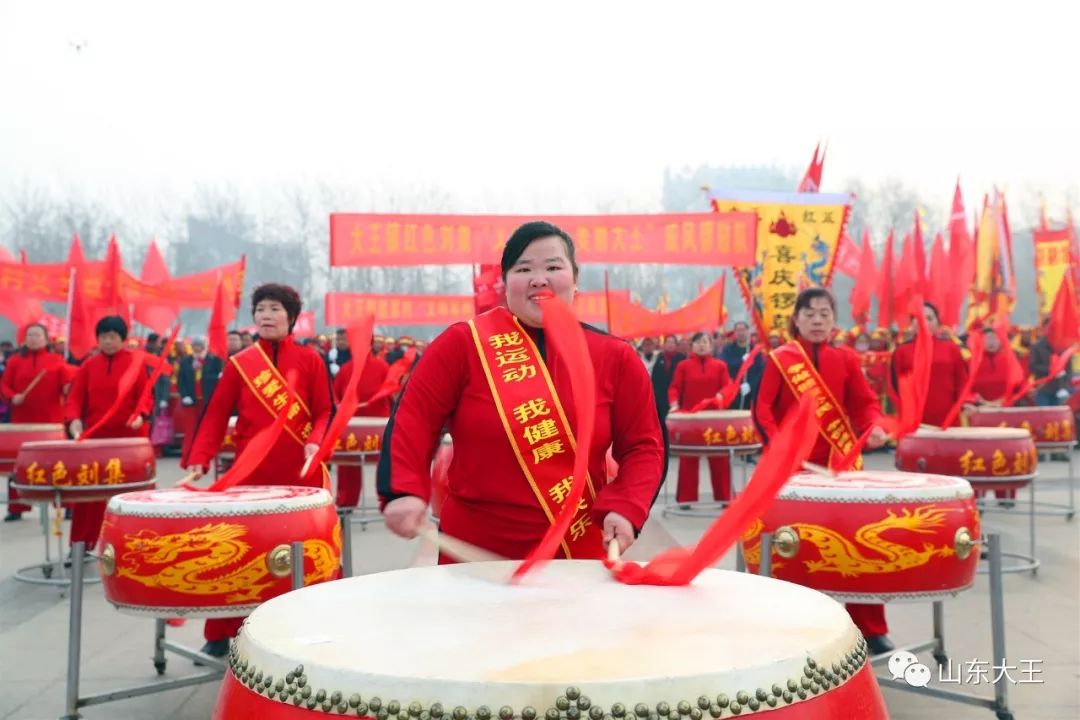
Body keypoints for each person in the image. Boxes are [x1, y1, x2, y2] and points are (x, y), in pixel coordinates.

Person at [378, 221, 664, 562]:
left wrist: (627, 506)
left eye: (553, 267)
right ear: (506, 282)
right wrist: (403, 490)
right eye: (523, 268)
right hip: (476, 555)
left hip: (576, 553)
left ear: (574, 280)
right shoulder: (462, 345)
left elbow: (645, 446)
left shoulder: (614, 357)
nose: (538, 279)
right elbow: (413, 420)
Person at [183, 283, 335, 658]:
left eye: (274, 309)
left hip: (300, 474)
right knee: (238, 551)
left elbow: (324, 411)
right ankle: (221, 631)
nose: (266, 316)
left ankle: (304, 624)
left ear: (291, 317)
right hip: (250, 476)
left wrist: (316, 438)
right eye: (260, 309)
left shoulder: (311, 360)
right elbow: (217, 413)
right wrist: (200, 457)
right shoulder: (241, 364)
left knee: (303, 553)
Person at [754, 288, 892, 655]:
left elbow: (864, 404)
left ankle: (871, 628)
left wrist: (873, 426)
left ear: (834, 319)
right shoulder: (780, 359)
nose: (818, 320)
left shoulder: (845, 359)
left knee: (859, 540)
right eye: (810, 313)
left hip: (840, 467)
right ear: (796, 319)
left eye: (825, 314)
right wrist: (776, 451)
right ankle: (796, 621)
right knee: (796, 546)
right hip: (793, 469)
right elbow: (763, 409)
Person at [64, 317, 152, 549]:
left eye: (113, 336)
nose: (108, 341)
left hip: (129, 439)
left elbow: (145, 397)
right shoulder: (89, 366)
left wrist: (140, 414)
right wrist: (73, 420)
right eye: (103, 337)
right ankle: (81, 544)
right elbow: (75, 398)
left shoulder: (135, 364)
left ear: (123, 339)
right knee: (90, 494)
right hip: (96, 439)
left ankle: (135, 546)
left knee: (131, 494)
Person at [1, 324, 69, 521]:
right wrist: (12, 396)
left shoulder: (56, 360)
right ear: (24, 339)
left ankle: (65, 504)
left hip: (50, 421)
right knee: (19, 464)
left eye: (37, 335)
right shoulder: (14, 361)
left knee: (58, 465)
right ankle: (16, 507)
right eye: (30, 335)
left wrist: (67, 387)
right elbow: (4, 385)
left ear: (46, 339)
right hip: (22, 422)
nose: (33, 338)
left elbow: (67, 384)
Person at [668, 332, 734, 505]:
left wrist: (722, 395)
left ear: (711, 345)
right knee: (688, 459)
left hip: (714, 419)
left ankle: (724, 497)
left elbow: (729, 385)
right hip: (691, 418)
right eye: (698, 342)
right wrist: (674, 403)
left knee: (720, 458)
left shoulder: (720, 366)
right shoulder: (684, 366)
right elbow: (674, 388)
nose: (702, 345)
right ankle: (686, 499)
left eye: (705, 342)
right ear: (692, 346)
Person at [892, 302, 968, 427]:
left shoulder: (951, 349)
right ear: (912, 323)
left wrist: (965, 403)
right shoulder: (901, 351)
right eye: (919, 318)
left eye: (929, 318)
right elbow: (895, 387)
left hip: (947, 420)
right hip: (913, 420)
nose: (924, 322)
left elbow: (962, 381)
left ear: (938, 323)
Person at [334, 344, 391, 508]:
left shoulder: (382, 367)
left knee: (385, 465)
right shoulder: (345, 370)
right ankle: (346, 503)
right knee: (347, 466)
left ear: (370, 345)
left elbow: (392, 392)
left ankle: (387, 500)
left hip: (377, 429)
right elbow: (335, 396)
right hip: (351, 428)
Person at [720, 320, 764, 411]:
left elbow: (760, 372)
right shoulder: (728, 349)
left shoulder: (754, 350)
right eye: (738, 330)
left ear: (748, 332)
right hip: (733, 391)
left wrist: (750, 385)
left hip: (750, 392)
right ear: (735, 332)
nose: (741, 333)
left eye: (743, 330)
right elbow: (725, 365)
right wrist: (741, 361)